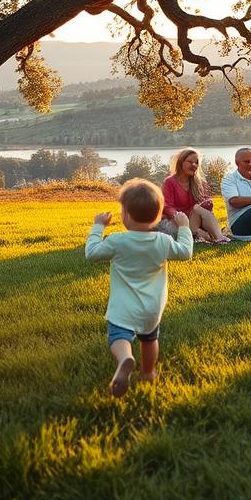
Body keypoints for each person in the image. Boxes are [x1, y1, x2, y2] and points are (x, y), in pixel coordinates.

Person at [86, 179, 194, 397]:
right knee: (149, 338)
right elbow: (185, 252)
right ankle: (148, 372)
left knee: (119, 335)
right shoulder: (162, 241)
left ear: (125, 215)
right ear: (157, 215)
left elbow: (92, 253)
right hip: (152, 307)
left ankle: (125, 357)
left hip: (123, 306)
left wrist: (98, 227)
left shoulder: (118, 241)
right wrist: (184, 228)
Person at [161, 148, 230, 244]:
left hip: (194, 221)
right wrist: (179, 216)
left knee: (198, 208)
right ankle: (202, 234)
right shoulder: (170, 182)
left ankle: (219, 237)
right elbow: (167, 207)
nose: (194, 165)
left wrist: (205, 204)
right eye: (190, 162)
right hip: (176, 222)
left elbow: (207, 206)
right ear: (180, 163)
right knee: (197, 209)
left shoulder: (199, 183)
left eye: (196, 163)